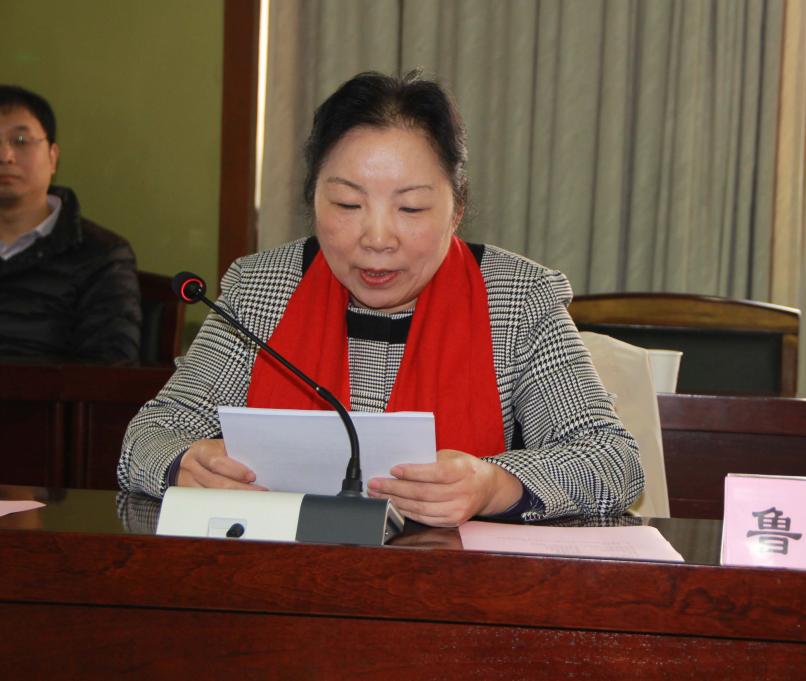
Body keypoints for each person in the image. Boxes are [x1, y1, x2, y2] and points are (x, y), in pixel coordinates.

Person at [119, 71, 643, 526]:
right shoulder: (261, 288)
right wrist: (184, 464)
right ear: (312, 199)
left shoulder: (516, 297)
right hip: (281, 581)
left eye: (410, 209)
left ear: (457, 208)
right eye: (348, 203)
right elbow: (149, 436)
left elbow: (611, 460)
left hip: (456, 589)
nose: (376, 238)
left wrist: (494, 483)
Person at [0, 85, 141, 363]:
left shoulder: (102, 256)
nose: (5, 156)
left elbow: (108, 370)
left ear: (53, 157)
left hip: (48, 392)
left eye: (20, 140)